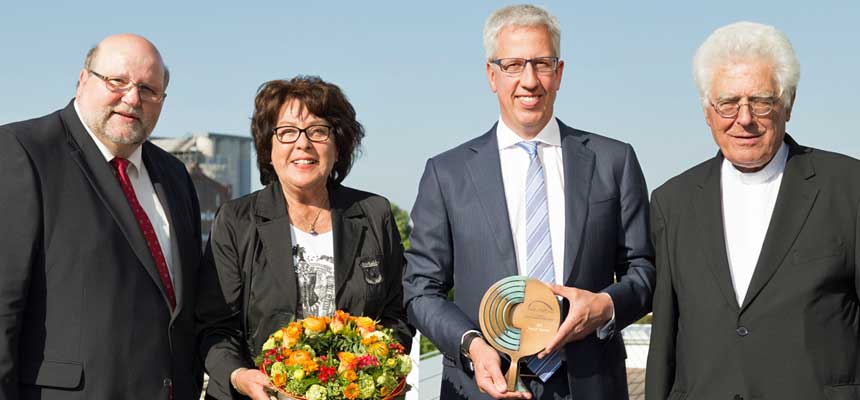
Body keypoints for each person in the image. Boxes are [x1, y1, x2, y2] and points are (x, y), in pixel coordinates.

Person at [403, 5, 655, 399]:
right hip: (483, 386)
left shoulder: (614, 161)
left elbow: (645, 270)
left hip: (590, 385)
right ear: (492, 75)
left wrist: (604, 306)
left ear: (560, 73)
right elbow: (421, 289)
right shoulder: (446, 173)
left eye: (541, 63)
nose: (529, 80)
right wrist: (472, 344)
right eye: (514, 65)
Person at [645, 21, 860, 399]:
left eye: (761, 101)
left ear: (788, 104)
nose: (744, 119)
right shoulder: (671, 202)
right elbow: (664, 341)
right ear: (707, 112)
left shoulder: (848, 186)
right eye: (727, 103)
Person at [0, 34, 202, 399]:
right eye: (117, 82)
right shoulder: (22, 152)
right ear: (82, 80)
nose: (132, 98)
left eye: (148, 89)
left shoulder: (174, 176)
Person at [197, 76, 414, 400]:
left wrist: (374, 369)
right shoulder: (236, 220)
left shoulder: (373, 213)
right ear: (268, 148)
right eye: (286, 132)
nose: (303, 144)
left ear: (337, 145)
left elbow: (397, 314)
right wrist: (241, 376)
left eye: (318, 131)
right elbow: (215, 327)